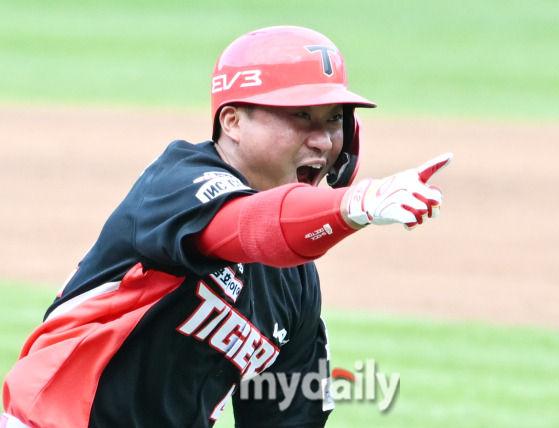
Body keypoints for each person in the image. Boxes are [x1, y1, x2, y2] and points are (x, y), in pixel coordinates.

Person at [1, 25, 452, 428]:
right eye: (301, 116)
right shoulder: (178, 184)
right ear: (233, 121)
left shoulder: (295, 286)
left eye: (333, 118)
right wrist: (354, 205)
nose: (322, 139)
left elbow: (288, 415)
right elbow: (247, 226)